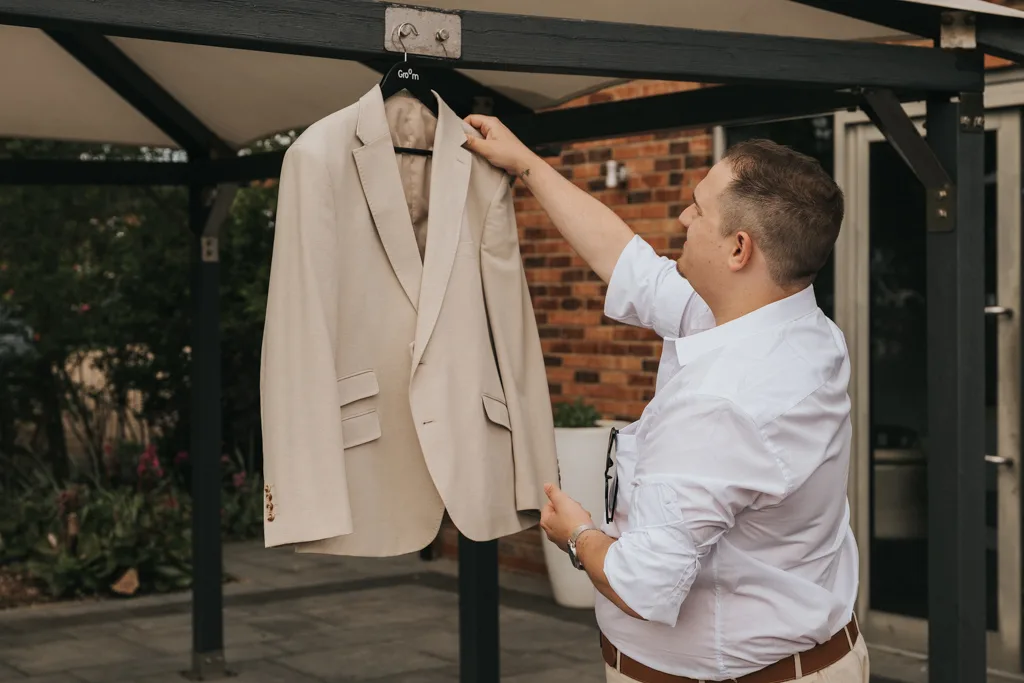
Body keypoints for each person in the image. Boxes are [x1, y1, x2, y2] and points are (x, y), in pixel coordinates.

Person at [463, 115, 867, 683]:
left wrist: (575, 535)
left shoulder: (721, 403)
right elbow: (630, 265)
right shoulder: (792, 324)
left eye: (698, 209)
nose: (683, 217)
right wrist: (528, 165)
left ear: (738, 249)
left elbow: (641, 585)